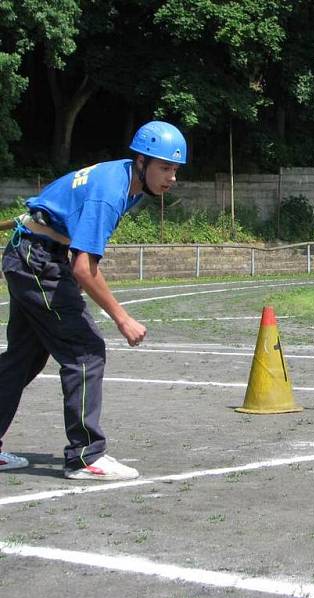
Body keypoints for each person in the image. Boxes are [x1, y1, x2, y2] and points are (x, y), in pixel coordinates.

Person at [0, 120, 187, 479]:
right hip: (38, 261)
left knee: (22, 358)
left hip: (33, 256)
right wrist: (122, 318)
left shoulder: (125, 181)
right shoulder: (111, 190)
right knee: (86, 351)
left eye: (175, 170)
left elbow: (79, 261)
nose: (171, 178)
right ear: (142, 161)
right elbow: (84, 269)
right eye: (164, 167)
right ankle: (86, 456)